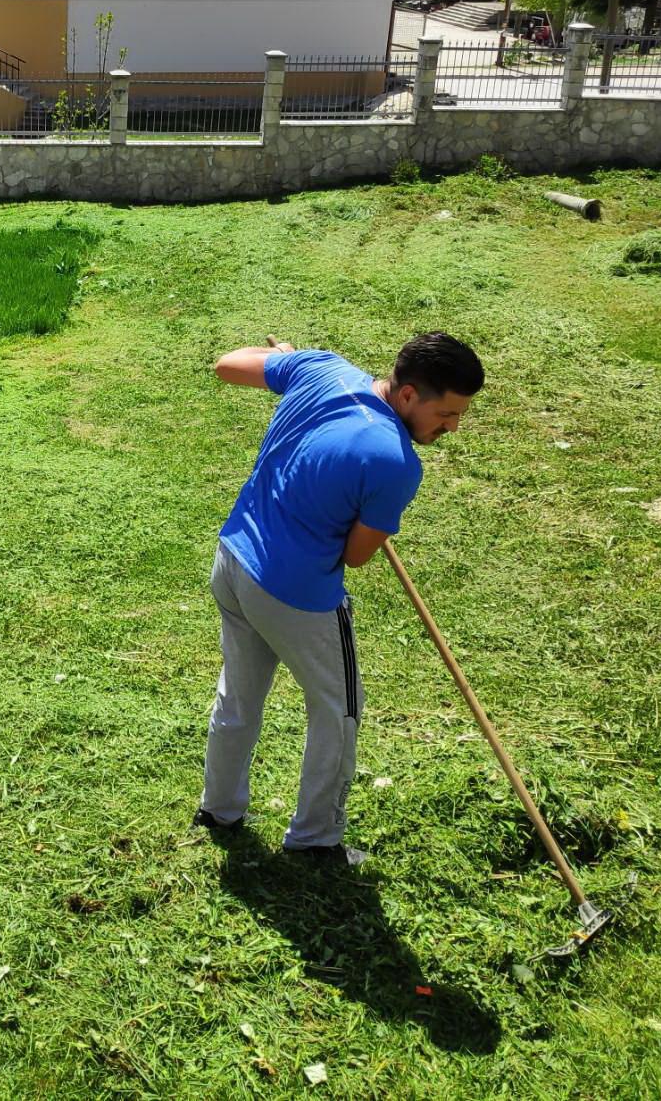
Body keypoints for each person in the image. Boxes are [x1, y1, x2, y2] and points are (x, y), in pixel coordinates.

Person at [195, 331, 483, 865]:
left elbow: (228, 364)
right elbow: (355, 557)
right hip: (297, 597)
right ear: (408, 396)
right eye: (446, 414)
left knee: (239, 694)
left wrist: (290, 362)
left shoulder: (324, 370)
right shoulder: (395, 462)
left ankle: (220, 808)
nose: (452, 427)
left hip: (233, 562)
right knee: (339, 710)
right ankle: (315, 840)